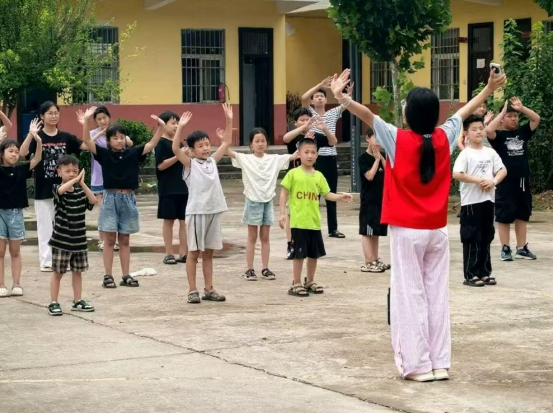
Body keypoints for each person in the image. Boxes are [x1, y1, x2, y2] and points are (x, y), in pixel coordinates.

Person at [331, 68, 506, 382]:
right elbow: (465, 110)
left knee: (409, 295)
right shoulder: (444, 136)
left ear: (409, 114)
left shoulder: (397, 138)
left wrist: (342, 98)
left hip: (407, 230)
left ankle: (417, 365)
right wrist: (490, 88)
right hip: (437, 230)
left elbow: (367, 115)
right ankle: (439, 364)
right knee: (436, 296)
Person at [82, 107, 165, 289]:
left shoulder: (132, 153)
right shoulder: (104, 154)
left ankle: (126, 275)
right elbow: (87, 141)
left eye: (121, 137)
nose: (119, 140)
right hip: (110, 199)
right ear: (108, 141)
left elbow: (151, 144)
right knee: (109, 240)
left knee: (125, 239)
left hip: (128, 199)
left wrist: (161, 127)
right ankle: (108, 275)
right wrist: (86, 121)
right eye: (115, 138)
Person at [172, 105, 232, 304]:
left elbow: (227, 142)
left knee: (209, 253)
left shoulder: (212, 162)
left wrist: (229, 119)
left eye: (207, 144)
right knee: (194, 253)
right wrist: (181, 126)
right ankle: (192, 290)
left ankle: (209, 289)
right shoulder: (190, 164)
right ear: (191, 150)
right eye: (200, 145)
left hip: (215, 210)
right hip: (197, 212)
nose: (206, 148)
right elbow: (175, 149)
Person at [279, 138, 353, 297]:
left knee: (313, 254)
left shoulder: (319, 176)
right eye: (306, 152)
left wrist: (340, 196)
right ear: (299, 154)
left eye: (313, 152)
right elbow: (284, 193)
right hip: (298, 223)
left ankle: (310, 281)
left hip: (314, 223)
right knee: (299, 255)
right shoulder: (293, 174)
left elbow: (327, 194)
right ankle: (296, 283)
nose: (310, 155)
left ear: (317, 155)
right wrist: (282, 214)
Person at [20, 102, 89, 273]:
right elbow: (22, 153)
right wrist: (31, 134)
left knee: (64, 226)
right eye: (49, 113)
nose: (53, 116)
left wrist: (85, 124)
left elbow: (86, 146)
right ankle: (46, 261)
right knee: (45, 227)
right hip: (44, 188)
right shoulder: (37, 136)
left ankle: (63, 260)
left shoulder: (66, 137)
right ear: (41, 116)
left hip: (65, 189)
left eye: (56, 113)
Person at [228, 128, 298, 281]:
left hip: (268, 201)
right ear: (251, 145)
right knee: (252, 237)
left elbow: (295, 155)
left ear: (267, 143)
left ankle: (265, 268)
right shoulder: (245, 158)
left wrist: (307, 138)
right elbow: (228, 151)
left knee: (265, 237)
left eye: (263, 141)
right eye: (257, 141)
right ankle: (250, 269)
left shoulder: (274, 159)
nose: (260, 144)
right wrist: (226, 134)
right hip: (253, 201)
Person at [453, 115, 507, 288]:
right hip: (471, 203)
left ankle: (484, 272)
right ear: (466, 133)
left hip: (488, 201)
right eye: (474, 129)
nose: (479, 132)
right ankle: (470, 274)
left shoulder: (490, 152)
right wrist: (477, 180)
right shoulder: (465, 154)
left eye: (481, 128)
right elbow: (457, 174)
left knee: (486, 236)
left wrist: (493, 181)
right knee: (471, 237)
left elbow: (502, 170)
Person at [486, 97, 541, 261]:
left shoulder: (522, 132)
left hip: (522, 181)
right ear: (502, 119)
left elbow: (536, 119)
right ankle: (505, 248)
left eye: (515, 116)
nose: (513, 118)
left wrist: (522, 108)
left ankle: (521, 248)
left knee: (522, 214)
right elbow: (489, 130)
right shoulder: (499, 136)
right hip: (505, 181)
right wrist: (502, 112)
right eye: (509, 116)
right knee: (504, 215)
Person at [283, 108, 338, 259]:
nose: (306, 122)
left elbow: (333, 142)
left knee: (309, 211)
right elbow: (286, 138)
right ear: (295, 122)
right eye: (302, 120)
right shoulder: (294, 136)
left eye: (308, 120)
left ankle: (306, 243)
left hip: (310, 180)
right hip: (294, 179)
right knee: (290, 213)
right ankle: (290, 244)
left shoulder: (315, 137)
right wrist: (303, 128)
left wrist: (324, 129)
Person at [77, 106, 134, 251]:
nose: (103, 121)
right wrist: (99, 134)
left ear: (109, 118)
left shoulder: (115, 132)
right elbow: (85, 146)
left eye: (105, 118)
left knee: (118, 212)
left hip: (115, 179)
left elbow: (130, 143)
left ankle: (116, 240)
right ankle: (104, 241)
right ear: (95, 121)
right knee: (104, 211)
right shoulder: (93, 133)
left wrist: (115, 136)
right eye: (99, 119)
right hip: (99, 178)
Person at [302, 79, 353, 239]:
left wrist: (347, 94)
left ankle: (333, 229)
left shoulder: (332, 113)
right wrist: (319, 85)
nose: (319, 98)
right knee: (313, 195)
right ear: (313, 101)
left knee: (331, 194)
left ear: (326, 100)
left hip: (330, 157)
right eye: (316, 96)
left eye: (321, 96)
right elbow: (304, 98)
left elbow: (346, 104)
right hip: (314, 159)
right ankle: (311, 226)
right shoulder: (310, 113)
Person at [48, 158, 98, 316]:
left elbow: (93, 200)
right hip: (61, 241)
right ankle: (54, 302)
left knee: (77, 272)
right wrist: (75, 180)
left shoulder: (80, 193)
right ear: (59, 172)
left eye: (75, 171)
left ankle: (77, 300)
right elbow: (61, 191)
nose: (71, 174)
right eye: (67, 171)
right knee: (58, 272)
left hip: (79, 241)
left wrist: (82, 184)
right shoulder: (57, 189)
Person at [0, 133, 43, 298]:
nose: (14, 154)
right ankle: (1, 285)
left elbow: (37, 159)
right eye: (10, 151)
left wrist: (38, 142)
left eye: (17, 152)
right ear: (2, 153)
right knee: (0, 252)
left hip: (16, 213)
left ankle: (16, 284)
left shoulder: (21, 169)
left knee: (15, 251)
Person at [155, 111, 189, 266]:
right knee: (168, 221)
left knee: (184, 222)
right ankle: (169, 253)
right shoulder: (160, 143)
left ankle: (184, 253)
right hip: (167, 188)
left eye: (177, 123)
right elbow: (161, 166)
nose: (176, 126)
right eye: (173, 123)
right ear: (163, 124)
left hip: (183, 187)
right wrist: (178, 155)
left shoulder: (179, 143)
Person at [359, 127, 389, 274]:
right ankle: (368, 262)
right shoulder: (363, 158)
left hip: (381, 200)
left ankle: (375, 259)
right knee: (367, 231)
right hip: (369, 201)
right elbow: (369, 176)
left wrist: (380, 157)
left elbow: (389, 173)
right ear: (367, 138)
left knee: (376, 231)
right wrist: (376, 160)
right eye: (376, 138)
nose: (378, 142)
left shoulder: (382, 156)